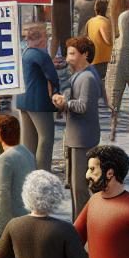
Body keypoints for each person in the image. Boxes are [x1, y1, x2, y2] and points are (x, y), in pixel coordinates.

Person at [52, 36, 101, 217]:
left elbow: (83, 106)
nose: (68, 57)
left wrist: (65, 103)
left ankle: (82, 225)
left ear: (85, 55)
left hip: (83, 138)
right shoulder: (79, 75)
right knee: (75, 185)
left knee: (80, 186)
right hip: (77, 137)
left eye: (72, 53)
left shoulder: (87, 77)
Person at [0, 115, 36, 242]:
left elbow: (2, 197)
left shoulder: (3, 160)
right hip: (30, 218)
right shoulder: (27, 153)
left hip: (14, 225)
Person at [85, 0, 114, 84]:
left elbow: (87, 37)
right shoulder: (105, 22)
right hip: (103, 61)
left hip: (93, 59)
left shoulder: (90, 21)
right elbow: (108, 40)